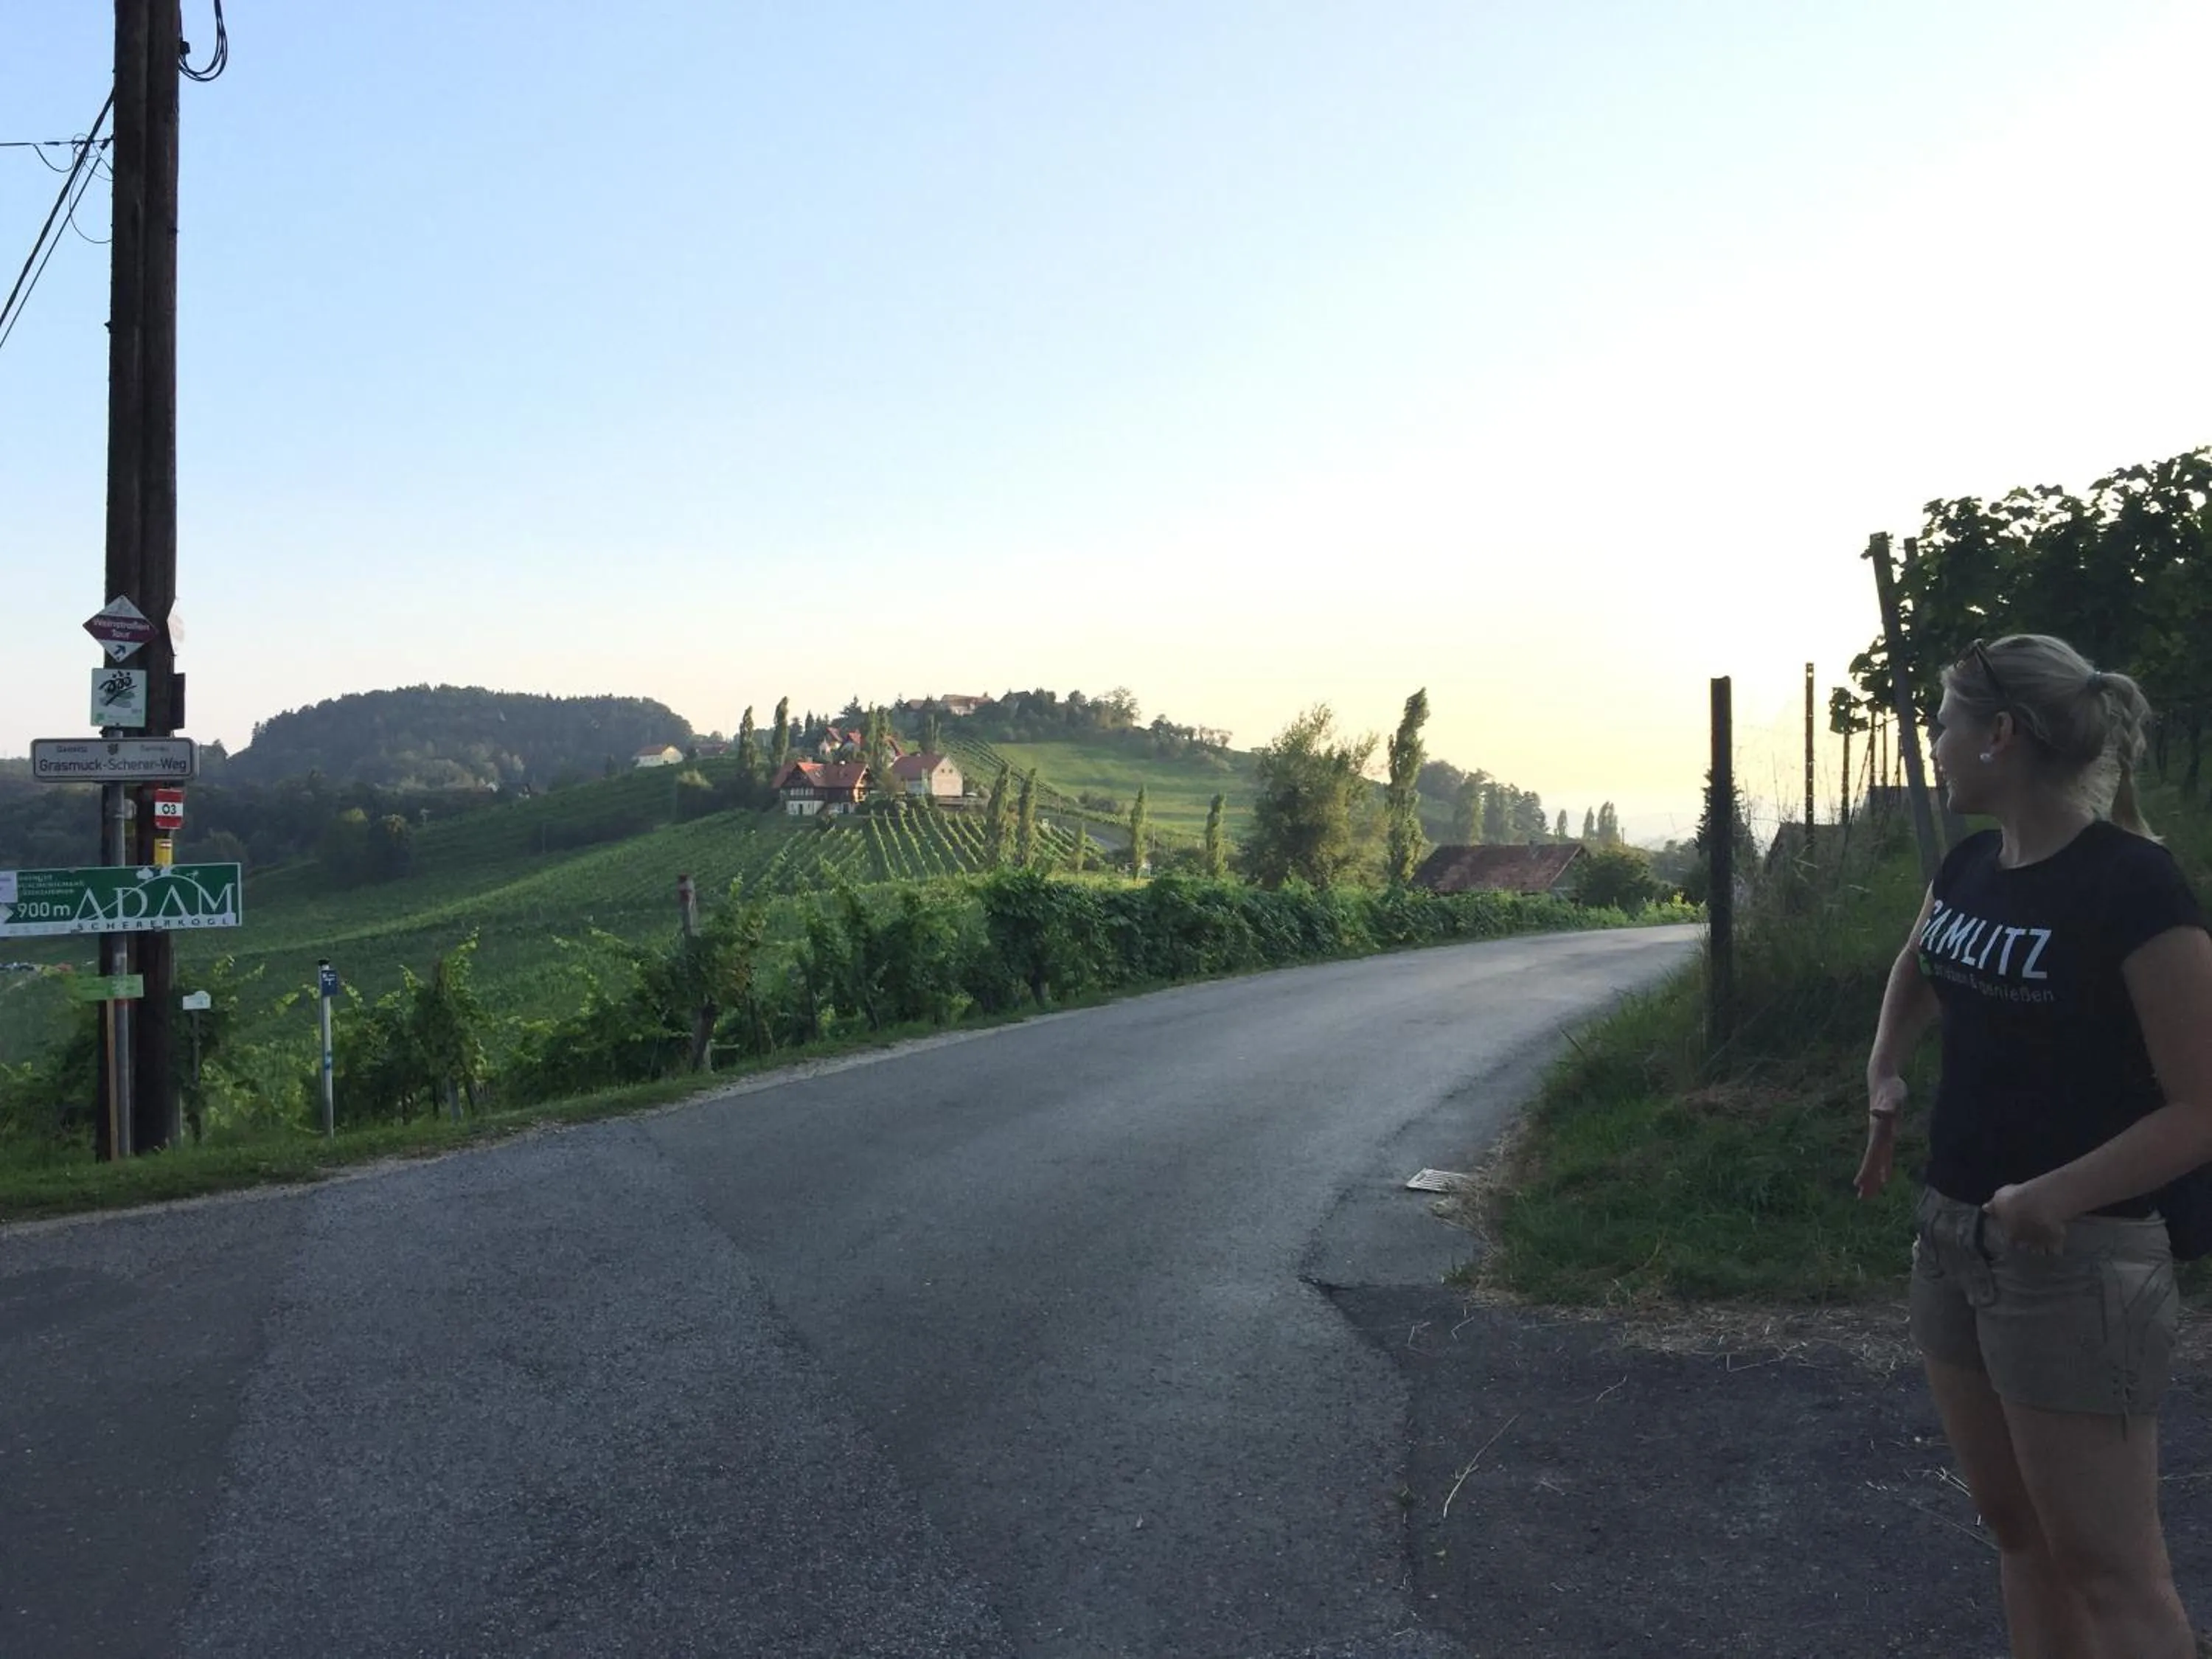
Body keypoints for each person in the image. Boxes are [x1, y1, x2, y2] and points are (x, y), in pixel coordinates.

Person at [1857, 632, 2212, 1659]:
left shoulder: (2133, 888)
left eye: (1942, 722)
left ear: (1999, 734)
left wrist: (2055, 1194)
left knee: (2112, 1568)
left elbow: (2200, 1107)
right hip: (1954, 1243)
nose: (1932, 742)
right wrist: (1887, 1069)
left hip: (2079, 1263)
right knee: (2019, 1533)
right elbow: (1917, 966)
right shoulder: (1972, 862)